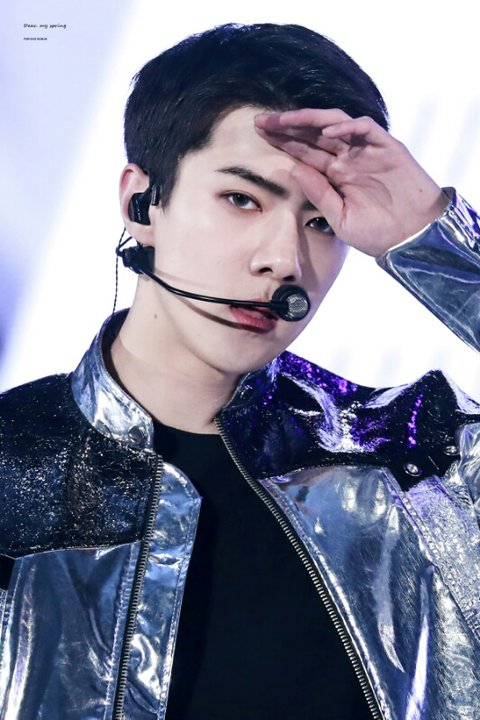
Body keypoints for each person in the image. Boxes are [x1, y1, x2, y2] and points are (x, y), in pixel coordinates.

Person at [0, 22, 479, 720]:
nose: (282, 260)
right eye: (242, 200)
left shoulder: (420, 459)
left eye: (321, 222)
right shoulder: (11, 464)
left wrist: (432, 233)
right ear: (141, 203)